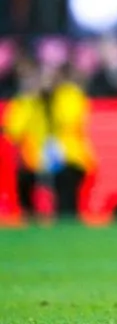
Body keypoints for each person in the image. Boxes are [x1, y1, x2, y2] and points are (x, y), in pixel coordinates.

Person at [2, 61, 95, 219]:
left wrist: (53, 100)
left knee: (66, 180)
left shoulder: (69, 95)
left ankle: (67, 220)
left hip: (69, 158)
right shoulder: (28, 101)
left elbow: (69, 120)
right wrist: (28, 100)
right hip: (37, 160)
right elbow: (12, 132)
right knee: (22, 178)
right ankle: (29, 218)